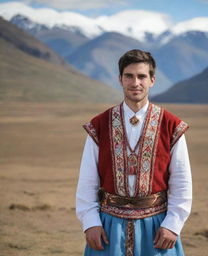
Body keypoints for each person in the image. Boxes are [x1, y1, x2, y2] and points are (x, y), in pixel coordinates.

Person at [76, 49, 192, 256]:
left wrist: (173, 224)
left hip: (157, 227)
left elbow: (181, 180)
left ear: (152, 80)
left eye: (142, 76)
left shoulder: (170, 125)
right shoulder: (100, 124)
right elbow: (87, 179)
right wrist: (90, 222)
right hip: (108, 226)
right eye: (129, 76)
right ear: (120, 79)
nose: (135, 82)